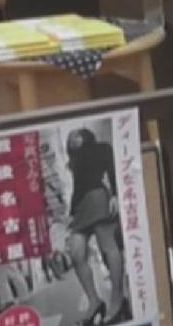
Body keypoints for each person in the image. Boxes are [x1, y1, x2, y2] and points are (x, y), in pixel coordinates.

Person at [65, 128, 128, 325]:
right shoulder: (74, 157)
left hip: (98, 197)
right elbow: (77, 186)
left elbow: (113, 170)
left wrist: (115, 194)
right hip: (80, 207)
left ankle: (117, 299)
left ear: (85, 135)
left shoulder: (101, 148)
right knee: (76, 254)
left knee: (108, 247)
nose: (73, 138)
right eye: (71, 137)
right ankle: (94, 301)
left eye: (76, 135)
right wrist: (71, 213)